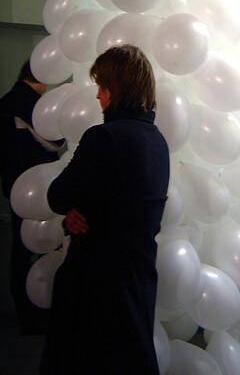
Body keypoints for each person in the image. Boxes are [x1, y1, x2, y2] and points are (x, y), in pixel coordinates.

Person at [40, 44, 170, 375]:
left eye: (102, 86)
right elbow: (122, 203)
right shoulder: (157, 140)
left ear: (116, 89)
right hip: (138, 277)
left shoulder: (103, 138)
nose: (98, 96)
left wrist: (72, 208)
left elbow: (58, 195)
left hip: (98, 281)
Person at [0, 60, 61, 334]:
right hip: (37, 188)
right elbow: (53, 141)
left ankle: (26, 313)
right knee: (40, 248)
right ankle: (36, 312)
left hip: (14, 187)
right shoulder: (30, 103)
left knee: (21, 251)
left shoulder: (6, 100)